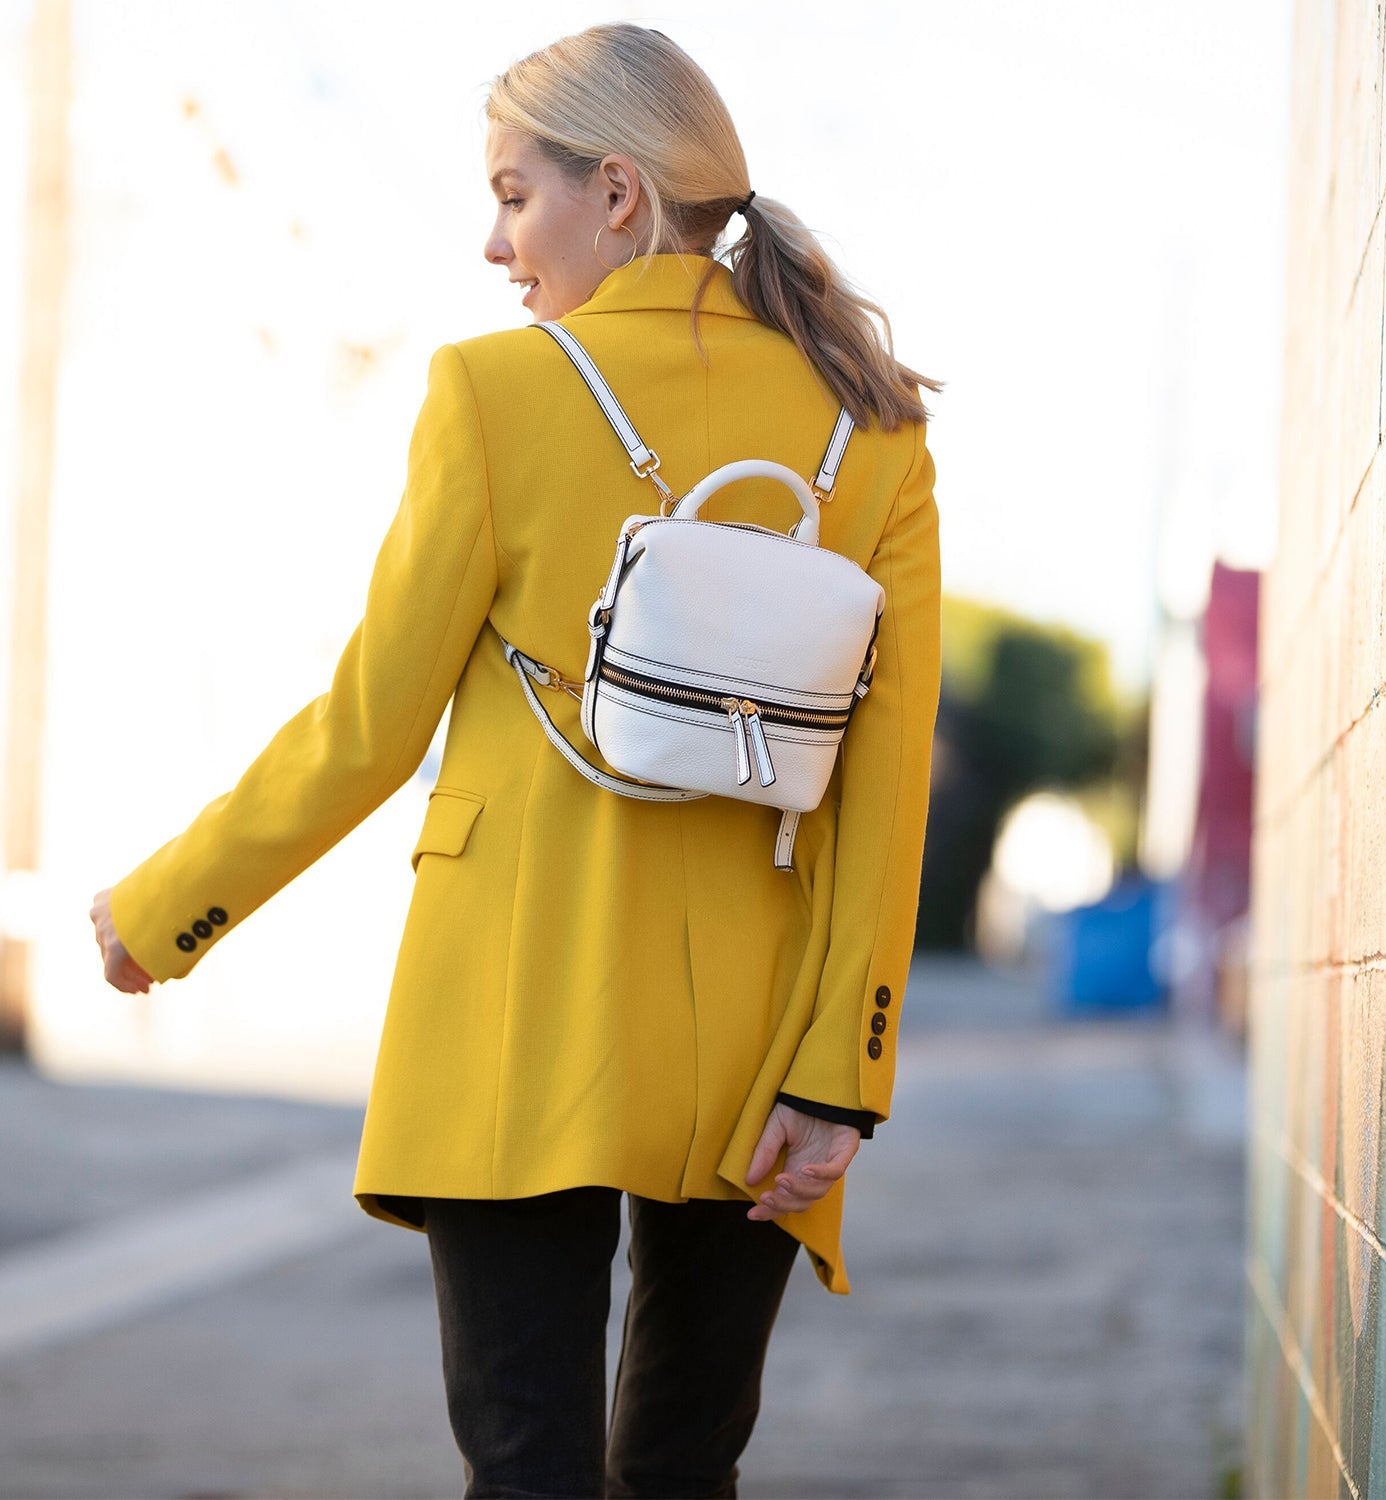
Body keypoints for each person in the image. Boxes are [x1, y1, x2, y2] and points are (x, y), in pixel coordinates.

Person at [89, 21, 941, 1499]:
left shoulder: (497, 392)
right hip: (762, 1037)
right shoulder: (873, 431)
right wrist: (843, 1072)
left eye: (512, 194)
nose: (494, 244)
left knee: (526, 1470)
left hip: (515, 1010)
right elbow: (889, 782)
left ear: (617, 192)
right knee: (683, 1473)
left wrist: (168, 908)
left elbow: (372, 722)